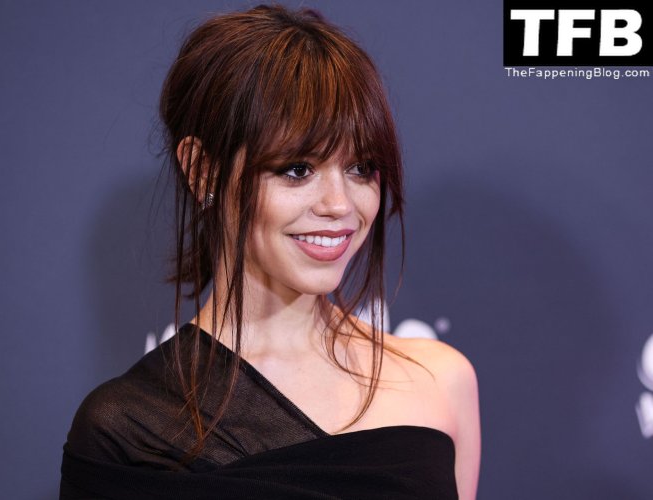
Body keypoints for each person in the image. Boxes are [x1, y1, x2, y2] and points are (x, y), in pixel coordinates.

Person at [60, 4, 480, 499]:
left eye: (362, 168)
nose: (340, 205)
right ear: (202, 170)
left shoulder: (440, 382)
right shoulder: (126, 430)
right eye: (297, 169)